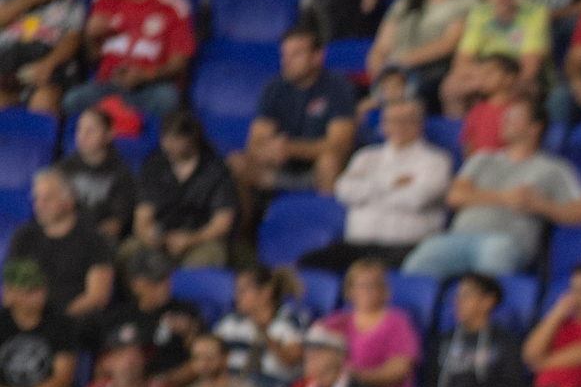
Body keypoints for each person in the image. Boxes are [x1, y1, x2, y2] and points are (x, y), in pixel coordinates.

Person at [402, 95, 581, 278]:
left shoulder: (554, 168)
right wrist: (506, 197)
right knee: (418, 262)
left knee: (491, 265)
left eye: (514, 116)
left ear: (535, 127)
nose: (505, 120)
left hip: (505, 242)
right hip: (459, 238)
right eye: (506, 116)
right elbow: (455, 196)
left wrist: (541, 205)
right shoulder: (483, 158)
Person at [230, 25, 359, 236]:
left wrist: (291, 148)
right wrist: (267, 151)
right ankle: (245, 236)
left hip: (316, 171)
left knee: (330, 161)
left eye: (296, 54)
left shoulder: (338, 87)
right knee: (237, 163)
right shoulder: (274, 87)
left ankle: (324, 233)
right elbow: (256, 141)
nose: (286, 61)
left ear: (317, 56)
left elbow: (339, 145)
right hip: (281, 168)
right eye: (284, 54)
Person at [304, 98, 453, 273]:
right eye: (391, 121)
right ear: (383, 125)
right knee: (310, 263)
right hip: (357, 245)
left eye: (405, 120)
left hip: (405, 248)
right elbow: (344, 191)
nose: (398, 126)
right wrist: (393, 183)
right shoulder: (366, 157)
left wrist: (366, 193)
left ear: (419, 124)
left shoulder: (435, 160)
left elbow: (416, 200)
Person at [65, 0, 193, 120]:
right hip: (108, 86)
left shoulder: (174, 5)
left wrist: (145, 75)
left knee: (167, 98)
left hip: (151, 86)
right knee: (72, 100)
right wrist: (90, 36)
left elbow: (179, 63)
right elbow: (93, 59)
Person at [399, 270, 531, 387]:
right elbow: (428, 378)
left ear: (487, 301)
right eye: (457, 295)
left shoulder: (506, 342)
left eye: (466, 295)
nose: (458, 302)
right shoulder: (444, 340)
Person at [367, 0, 477, 108]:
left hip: (432, 73)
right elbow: (382, 46)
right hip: (393, 75)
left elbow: (448, 43)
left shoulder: (467, 1)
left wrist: (398, 64)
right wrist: (382, 72)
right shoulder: (403, 4)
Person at [441, 0, 549, 113]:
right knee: (451, 86)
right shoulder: (479, 13)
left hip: (518, 77)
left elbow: (530, 67)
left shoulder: (536, 13)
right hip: (487, 74)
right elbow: (462, 61)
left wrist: (497, 81)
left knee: (521, 88)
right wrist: (484, 78)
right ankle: (463, 133)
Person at [131, 109, 236, 268]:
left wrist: (192, 239)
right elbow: (142, 216)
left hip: (201, 240)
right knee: (129, 253)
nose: (168, 145)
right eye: (165, 138)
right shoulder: (154, 165)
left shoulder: (215, 170)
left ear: (192, 137)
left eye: (175, 139)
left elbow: (222, 223)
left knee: (206, 258)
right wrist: (149, 236)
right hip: (162, 237)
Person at [9, 169, 115, 322]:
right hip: (28, 320)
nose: (40, 205)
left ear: (70, 199)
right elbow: (11, 289)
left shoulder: (93, 240)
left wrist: (58, 323)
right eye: (36, 198)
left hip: (72, 324)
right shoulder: (23, 237)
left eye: (48, 198)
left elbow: (97, 297)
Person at [320, 257, 421, 387]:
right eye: (361, 285)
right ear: (350, 290)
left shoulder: (398, 322)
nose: (366, 291)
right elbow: (314, 353)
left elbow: (400, 369)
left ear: (383, 289)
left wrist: (357, 377)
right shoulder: (337, 322)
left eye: (373, 285)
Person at [102, 247, 203, 387]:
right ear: (136, 285)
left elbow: (201, 362)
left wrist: (189, 335)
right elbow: (102, 367)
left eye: (166, 277)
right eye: (156, 280)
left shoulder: (186, 312)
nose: (164, 285)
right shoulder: (121, 317)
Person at [214, 263, 310, 387]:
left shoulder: (289, 320)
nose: (236, 296)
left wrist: (265, 335)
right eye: (236, 290)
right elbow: (210, 354)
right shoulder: (230, 323)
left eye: (243, 291)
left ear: (266, 292)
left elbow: (292, 359)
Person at [0, 0, 86, 113]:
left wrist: (47, 65)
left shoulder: (71, 5)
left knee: (44, 98)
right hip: (7, 66)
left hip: (47, 69)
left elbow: (71, 42)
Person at [0, 257, 77, 387]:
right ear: (9, 293)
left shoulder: (61, 323)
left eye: (41, 288)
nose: (38, 296)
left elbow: (62, 378)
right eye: (30, 290)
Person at [57, 105, 136, 242]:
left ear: (108, 134)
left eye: (91, 130)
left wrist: (86, 236)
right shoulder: (64, 168)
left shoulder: (121, 172)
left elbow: (117, 223)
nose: (82, 136)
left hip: (99, 241)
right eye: (80, 129)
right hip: (66, 237)